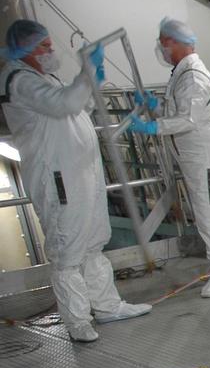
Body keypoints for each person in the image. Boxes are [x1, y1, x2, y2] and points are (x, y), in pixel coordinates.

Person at [1, 20, 150, 343]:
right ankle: (77, 320)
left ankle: (108, 306)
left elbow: (76, 104)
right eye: (44, 47)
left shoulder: (44, 76)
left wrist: (93, 83)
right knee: (68, 249)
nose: (51, 51)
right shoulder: (19, 80)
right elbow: (63, 104)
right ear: (24, 49)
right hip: (58, 177)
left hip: (82, 171)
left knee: (94, 241)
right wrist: (85, 74)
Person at [127, 17, 210, 298]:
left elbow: (188, 118)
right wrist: (159, 107)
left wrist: (155, 126)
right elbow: (183, 109)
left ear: (175, 43)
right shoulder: (182, 73)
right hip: (196, 157)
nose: (162, 50)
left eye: (164, 43)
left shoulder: (193, 76)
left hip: (205, 157)